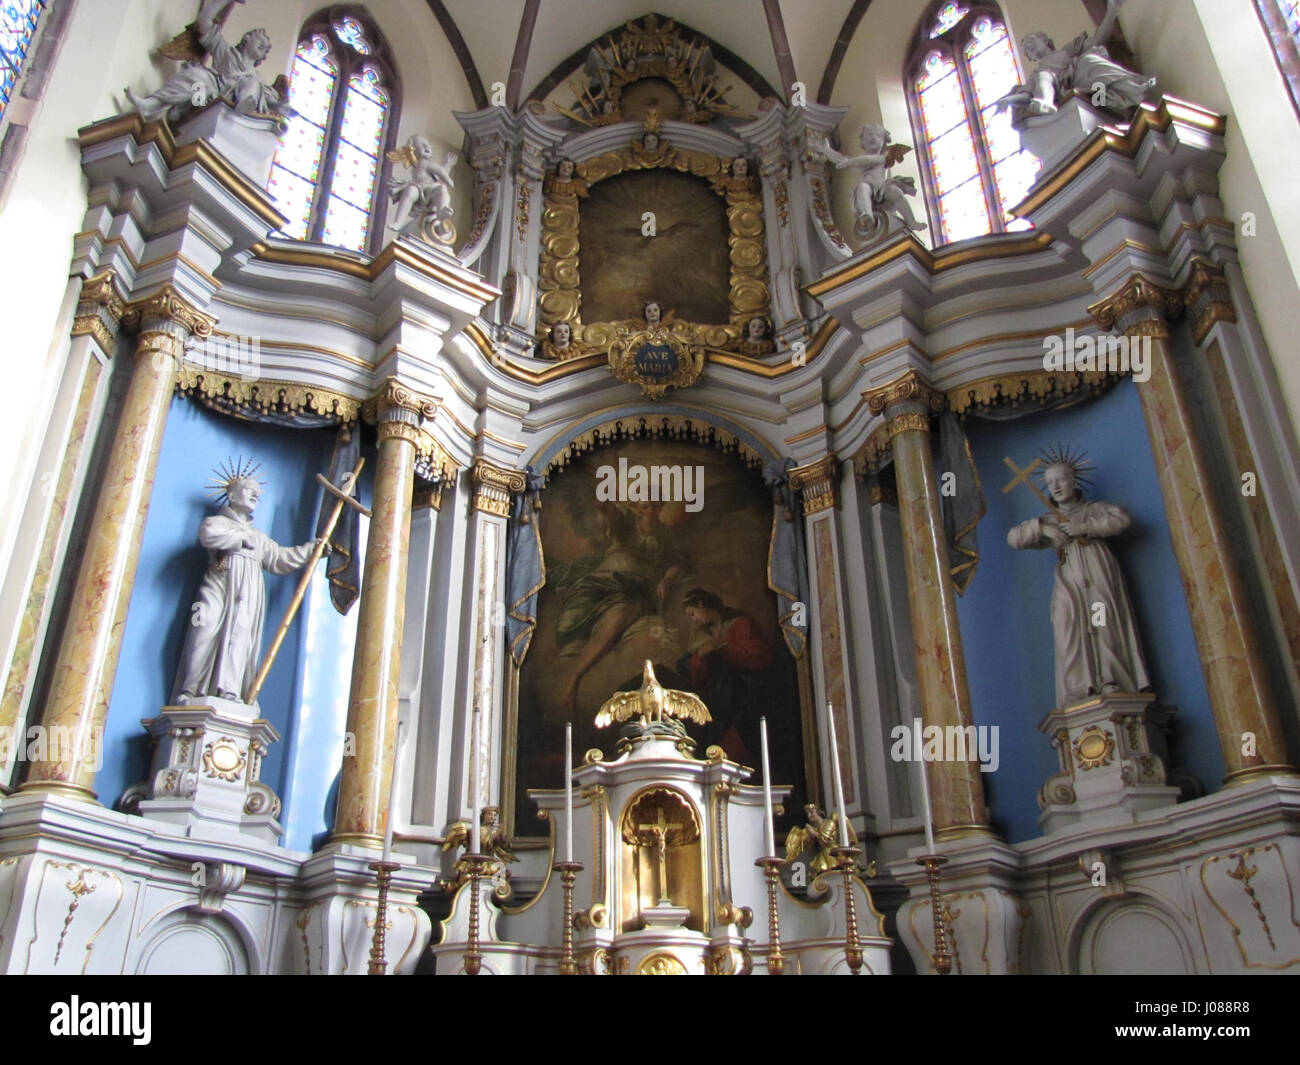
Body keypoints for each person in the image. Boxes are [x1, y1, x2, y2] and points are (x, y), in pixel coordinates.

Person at [1006, 456, 1151, 707]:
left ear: (1074, 481)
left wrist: (1085, 527)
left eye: (1061, 479)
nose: (1056, 486)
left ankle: (1110, 678)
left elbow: (1122, 519)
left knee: (1101, 618)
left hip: (1096, 569)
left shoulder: (1093, 509)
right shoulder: (1049, 519)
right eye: (1050, 482)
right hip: (1068, 576)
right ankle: (1079, 686)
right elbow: (1014, 538)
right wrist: (1042, 528)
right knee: (1066, 623)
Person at [173, 471, 319, 704]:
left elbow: (280, 558)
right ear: (232, 495)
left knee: (241, 634)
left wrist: (311, 549)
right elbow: (208, 535)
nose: (256, 494)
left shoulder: (259, 537)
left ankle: (231, 690)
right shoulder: (217, 522)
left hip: (248, 592)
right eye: (250, 489)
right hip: (218, 585)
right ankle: (190, 690)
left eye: (258, 492)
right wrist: (239, 539)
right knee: (203, 628)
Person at [127, 0, 287, 124]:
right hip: (212, 94)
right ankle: (153, 105)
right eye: (260, 42)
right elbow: (204, 22)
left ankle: (245, 102)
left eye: (266, 48)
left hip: (236, 105)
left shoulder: (257, 78)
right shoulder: (225, 51)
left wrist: (280, 107)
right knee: (195, 74)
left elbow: (271, 99)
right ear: (246, 39)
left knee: (252, 82)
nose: (265, 47)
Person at [995, 0, 1155, 124]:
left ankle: (1134, 87)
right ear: (1030, 58)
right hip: (1064, 91)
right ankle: (1046, 102)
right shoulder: (1038, 74)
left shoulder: (1069, 50)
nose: (1030, 48)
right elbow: (1026, 94)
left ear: (1044, 39)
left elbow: (1098, 40)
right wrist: (1008, 100)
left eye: (1031, 42)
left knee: (1089, 60)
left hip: (1081, 77)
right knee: (1044, 75)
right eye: (1027, 50)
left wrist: (1111, 11)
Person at [676, 587, 774, 763]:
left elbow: (760, 657)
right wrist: (701, 658)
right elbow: (697, 677)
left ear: (701, 604)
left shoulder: (739, 623)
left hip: (744, 696)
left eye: (692, 614)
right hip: (717, 702)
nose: (693, 621)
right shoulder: (701, 635)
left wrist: (723, 649)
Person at [820, 124, 926, 238]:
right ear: (863, 142)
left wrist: (848, 163)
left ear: (884, 142)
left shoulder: (881, 158)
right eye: (869, 135)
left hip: (883, 188)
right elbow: (841, 159)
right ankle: (867, 214)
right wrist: (826, 150)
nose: (873, 137)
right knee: (862, 188)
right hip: (869, 187)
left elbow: (866, 160)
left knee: (896, 192)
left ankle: (911, 221)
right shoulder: (860, 163)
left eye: (878, 136)